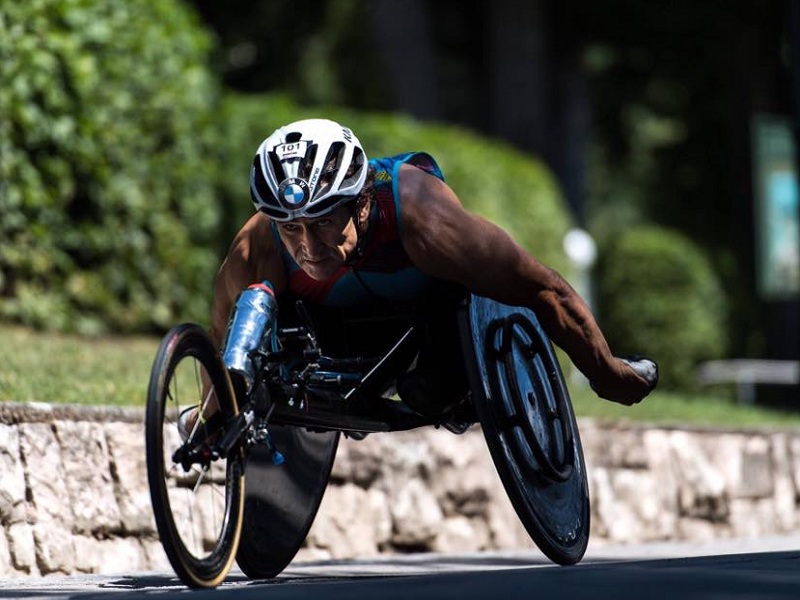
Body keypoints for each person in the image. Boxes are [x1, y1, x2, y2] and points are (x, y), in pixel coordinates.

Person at [182, 118, 657, 437]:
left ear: (362, 202)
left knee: (429, 392)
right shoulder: (257, 246)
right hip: (333, 332)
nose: (307, 246)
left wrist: (607, 374)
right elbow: (222, 337)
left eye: (325, 221)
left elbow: (544, 289)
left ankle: (449, 391)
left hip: (432, 321)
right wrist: (211, 420)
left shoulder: (421, 215)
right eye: (290, 227)